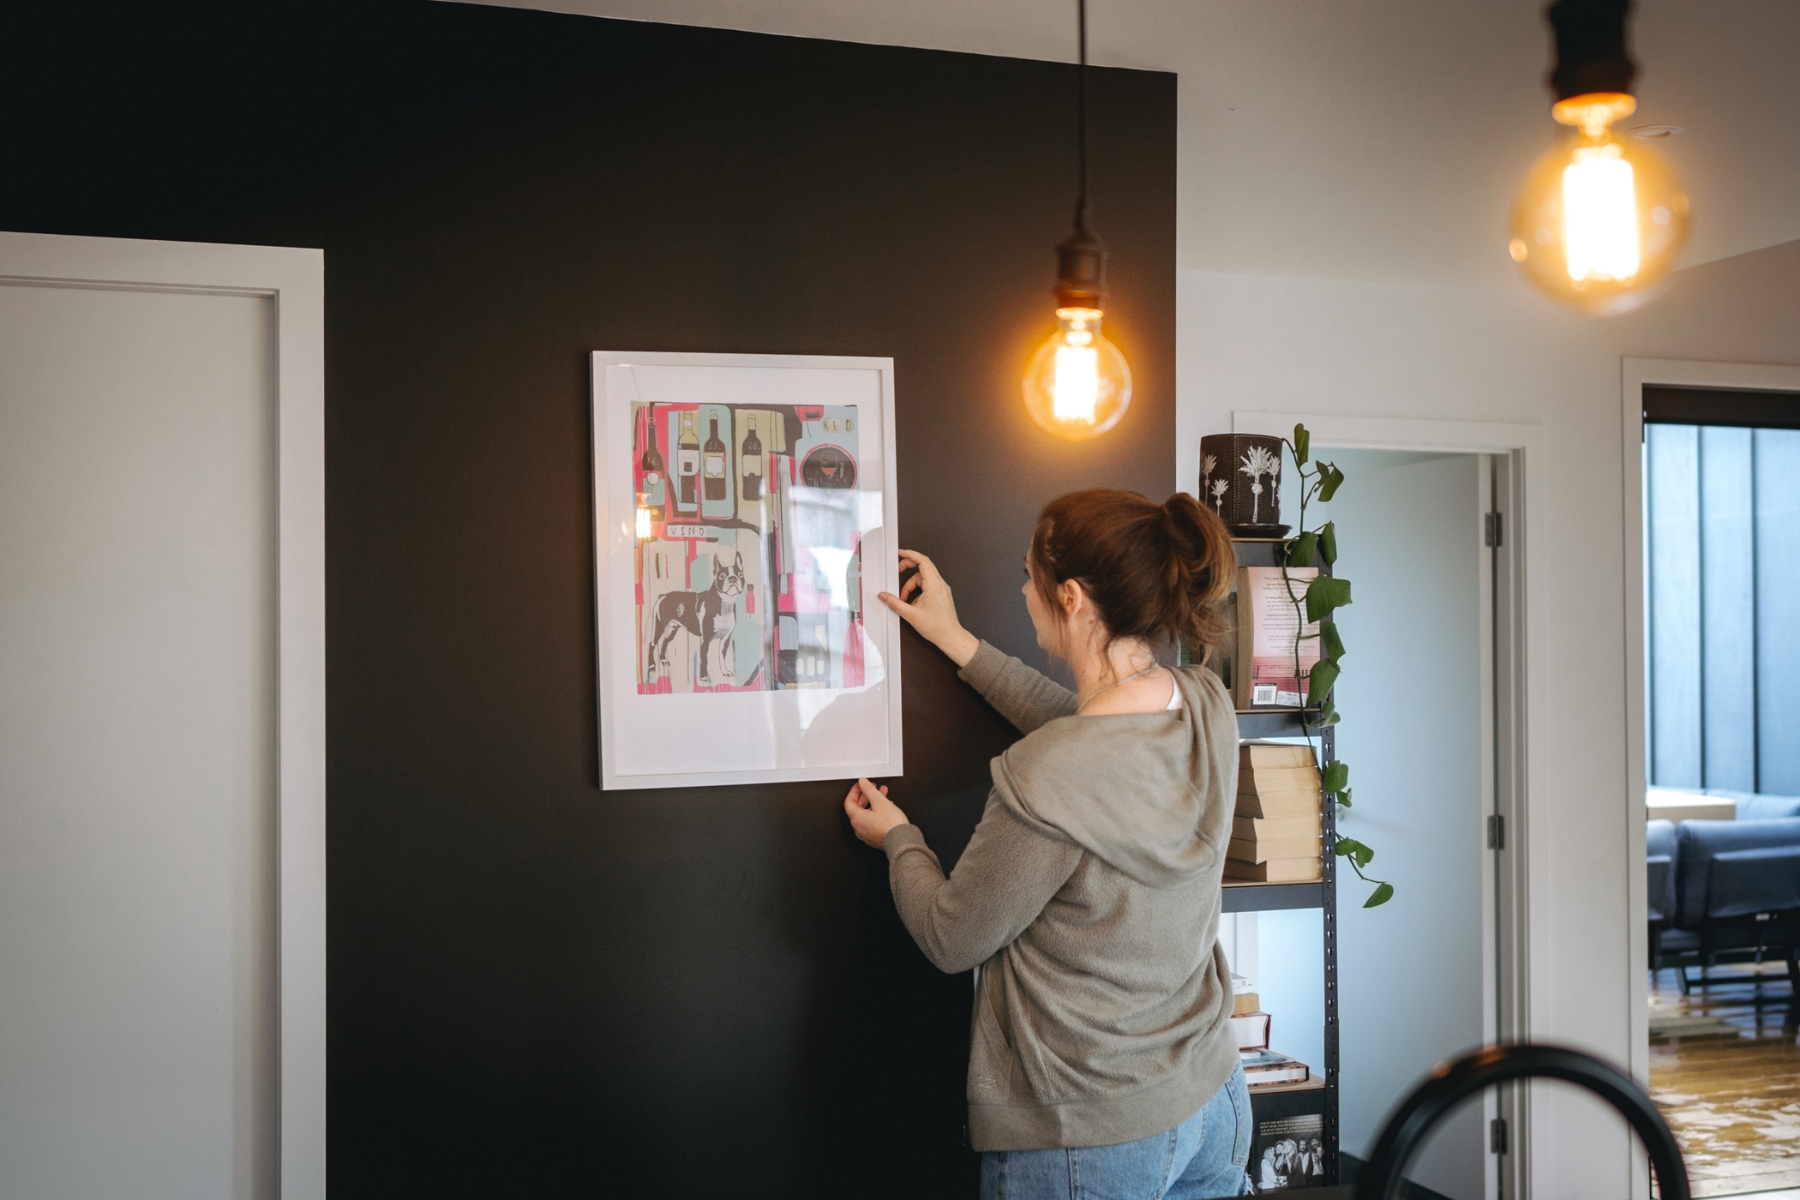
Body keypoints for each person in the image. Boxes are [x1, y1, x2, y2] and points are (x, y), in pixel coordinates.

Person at [843, 488, 1249, 1200]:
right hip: (1212, 1098)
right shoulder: (1205, 704)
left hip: (1089, 1135)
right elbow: (1087, 722)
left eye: (1028, 576)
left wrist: (899, 838)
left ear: (1070, 597)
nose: (1021, 588)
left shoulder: (1046, 776)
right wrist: (954, 637)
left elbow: (950, 936)